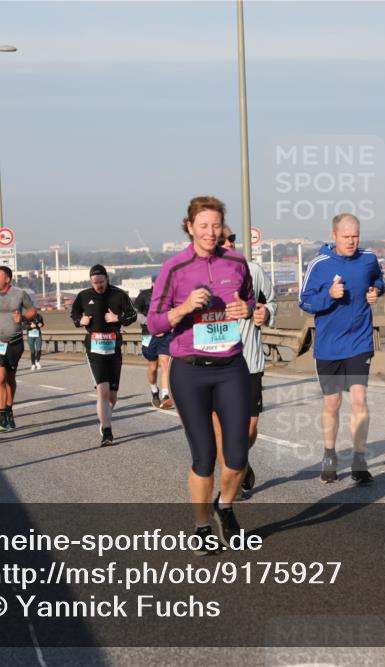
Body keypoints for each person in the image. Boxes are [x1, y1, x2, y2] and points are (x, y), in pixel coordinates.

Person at [147, 196, 255, 552]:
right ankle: (202, 525)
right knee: (204, 457)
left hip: (231, 367)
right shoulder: (175, 268)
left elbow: (253, 301)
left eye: (216, 225)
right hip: (190, 371)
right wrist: (183, 308)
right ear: (190, 227)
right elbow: (154, 322)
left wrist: (251, 309)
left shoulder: (238, 262)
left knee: (237, 456)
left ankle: (225, 507)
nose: (211, 232)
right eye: (203, 225)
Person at [298, 212, 385, 485]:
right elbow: (304, 301)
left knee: (359, 399)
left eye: (355, 236)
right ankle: (329, 454)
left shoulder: (368, 258)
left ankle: (359, 459)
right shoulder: (320, 264)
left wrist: (377, 291)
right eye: (346, 237)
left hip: (359, 341)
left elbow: (380, 281)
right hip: (328, 346)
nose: (351, 241)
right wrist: (328, 296)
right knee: (332, 403)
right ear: (334, 236)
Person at [214, 224, 276, 500]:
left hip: (249, 363)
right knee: (224, 430)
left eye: (232, 238)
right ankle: (232, 482)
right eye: (222, 240)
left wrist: (265, 313)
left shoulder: (253, 271)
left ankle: (242, 460)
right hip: (215, 366)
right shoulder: (200, 276)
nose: (229, 243)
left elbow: (271, 302)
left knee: (249, 428)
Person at [70, 264, 137, 446]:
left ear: (107, 279)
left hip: (114, 347)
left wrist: (118, 319)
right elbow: (74, 314)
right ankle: (107, 431)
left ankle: (105, 417)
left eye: (101, 281)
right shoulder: (84, 296)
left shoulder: (119, 295)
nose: (98, 285)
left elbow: (133, 316)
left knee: (113, 396)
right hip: (94, 348)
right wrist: (80, 321)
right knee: (103, 391)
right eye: (94, 282)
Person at [0, 265, 37, 433]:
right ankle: (2, 415)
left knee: (10, 378)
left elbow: (33, 311)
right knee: (0, 377)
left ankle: (9, 411)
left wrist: (24, 317)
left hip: (15, 343)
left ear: (7, 279)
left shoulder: (20, 294)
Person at [133, 275, 174, 409]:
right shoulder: (144, 295)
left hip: (166, 335)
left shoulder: (169, 295)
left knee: (165, 364)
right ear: (153, 283)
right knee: (153, 367)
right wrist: (153, 324)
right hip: (149, 335)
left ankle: (166, 395)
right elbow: (136, 314)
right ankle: (154, 391)